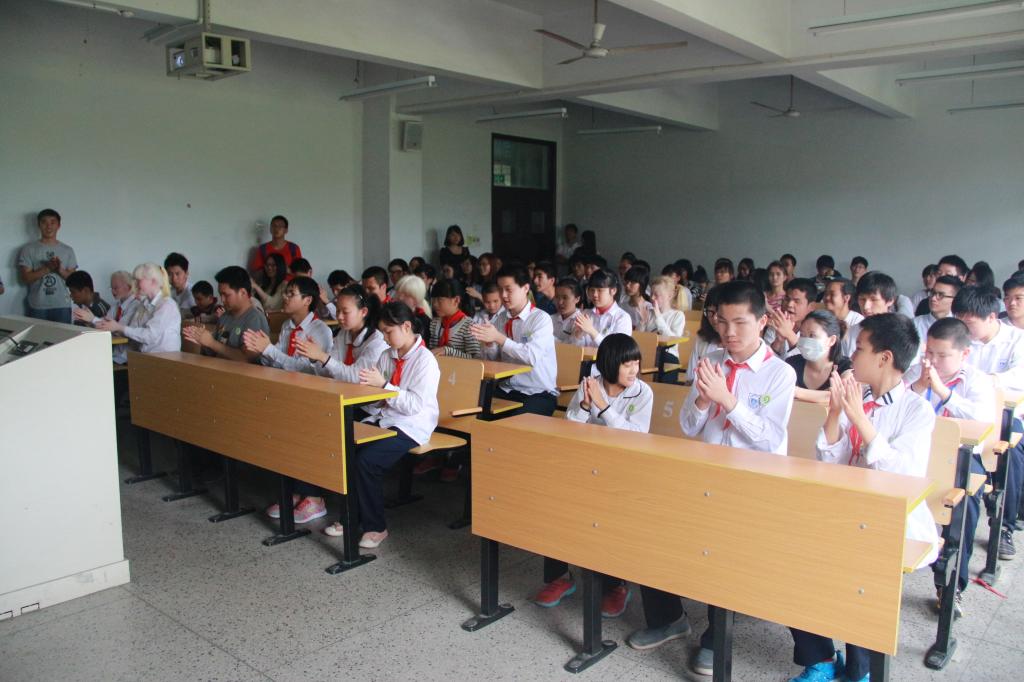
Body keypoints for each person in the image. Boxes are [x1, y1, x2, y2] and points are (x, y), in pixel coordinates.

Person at [632, 281, 795, 676]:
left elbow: (770, 440)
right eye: (722, 322)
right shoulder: (711, 359)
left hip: (752, 485)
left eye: (740, 323)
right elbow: (688, 426)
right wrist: (703, 400)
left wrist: (727, 400)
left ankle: (715, 640)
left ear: (762, 322)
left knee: (723, 550)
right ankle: (669, 618)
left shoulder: (780, 374)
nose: (729, 332)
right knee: (649, 524)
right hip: (704, 476)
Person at [789, 313, 939, 682]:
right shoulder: (858, 397)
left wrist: (859, 418)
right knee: (789, 555)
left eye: (859, 348)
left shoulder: (915, 410)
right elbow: (831, 461)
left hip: (888, 520)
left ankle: (861, 670)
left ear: (884, 358)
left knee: (865, 577)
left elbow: (901, 477)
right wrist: (835, 415)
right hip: (845, 509)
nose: (852, 355)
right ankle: (821, 658)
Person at [534, 334, 653, 612]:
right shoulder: (590, 384)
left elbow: (636, 437)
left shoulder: (643, 392)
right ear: (610, 364)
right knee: (556, 504)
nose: (634, 370)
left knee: (608, 517)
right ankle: (560, 577)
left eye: (636, 363)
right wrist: (586, 405)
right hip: (586, 464)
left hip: (623, 470)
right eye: (627, 365)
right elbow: (569, 428)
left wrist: (605, 408)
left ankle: (616, 585)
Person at [908, 317, 996, 614]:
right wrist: (918, 387)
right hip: (917, 454)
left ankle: (951, 585)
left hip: (959, 457)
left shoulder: (978, 382)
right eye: (929, 353)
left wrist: (944, 393)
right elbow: (896, 407)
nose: (932, 361)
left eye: (942, 355)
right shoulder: (916, 374)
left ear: (964, 354)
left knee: (965, 501)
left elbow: (982, 427)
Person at [338, 301, 440, 548]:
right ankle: (352, 516)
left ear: (406, 327)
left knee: (367, 461)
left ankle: (375, 527)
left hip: (412, 426)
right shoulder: (388, 355)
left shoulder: (425, 360)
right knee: (346, 448)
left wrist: (383, 386)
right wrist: (371, 391)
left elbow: (415, 405)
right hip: (385, 419)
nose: (384, 338)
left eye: (388, 332)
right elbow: (379, 398)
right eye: (382, 332)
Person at [953, 285, 1024, 559]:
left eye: (969, 323)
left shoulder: (1017, 340)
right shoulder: (959, 339)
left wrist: (985, 381)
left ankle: (1004, 526)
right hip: (964, 415)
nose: (964, 329)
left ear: (992, 317)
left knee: (1012, 451)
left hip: (1003, 417)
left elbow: (1018, 377)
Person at [470, 265, 558, 415]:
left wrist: (498, 338)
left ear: (525, 288)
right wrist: (489, 344)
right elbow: (493, 360)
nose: (503, 295)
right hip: (506, 388)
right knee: (474, 413)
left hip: (537, 392)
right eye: (500, 289)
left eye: (509, 290)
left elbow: (531, 356)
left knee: (513, 421)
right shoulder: (500, 318)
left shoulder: (541, 319)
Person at [298, 284, 387, 384]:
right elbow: (327, 373)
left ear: (363, 312)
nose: (339, 316)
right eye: (337, 310)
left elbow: (357, 378)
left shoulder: (377, 342)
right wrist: (316, 358)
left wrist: (323, 357)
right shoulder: (343, 334)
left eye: (345, 312)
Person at [243, 276, 333, 373]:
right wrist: (260, 351)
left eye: (291, 293)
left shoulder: (321, 331)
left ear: (308, 300)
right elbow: (277, 359)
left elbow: (305, 369)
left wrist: (268, 349)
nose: (285, 297)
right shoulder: (287, 325)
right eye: (286, 292)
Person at [183, 266, 269, 363]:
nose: (222, 300)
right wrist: (202, 341)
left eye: (226, 295)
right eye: (220, 295)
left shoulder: (255, 319)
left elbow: (247, 360)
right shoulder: (225, 316)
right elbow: (213, 352)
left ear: (243, 293)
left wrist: (212, 343)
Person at [94, 263, 181, 354]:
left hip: (165, 358)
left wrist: (119, 327)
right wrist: (114, 327)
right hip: (145, 356)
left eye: (138, 280)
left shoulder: (167, 305)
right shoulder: (144, 304)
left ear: (153, 281)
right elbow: (132, 330)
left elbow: (149, 336)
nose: (135, 284)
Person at [18, 208, 77, 323]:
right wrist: (47, 268)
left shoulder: (67, 250)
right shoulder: (28, 249)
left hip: (62, 304)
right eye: (44, 222)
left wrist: (60, 270)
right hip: (37, 305)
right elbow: (25, 278)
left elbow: (74, 280)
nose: (48, 226)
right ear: (39, 225)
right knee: (37, 335)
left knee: (62, 335)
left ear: (59, 226)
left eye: (52, 222)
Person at [785, 310, 851, 403]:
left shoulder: (845, 367)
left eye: (812, 335)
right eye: (802, 335)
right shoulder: (791, 364)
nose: (805, 340)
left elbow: (838, 395)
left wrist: (794, 391)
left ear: (831, 340)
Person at [639, 276, 688, 382]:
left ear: (669, 296)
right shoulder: (649, 313)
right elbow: (640, 339)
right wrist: (642, 322)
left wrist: (658, 316)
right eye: (651, 294)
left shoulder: (678, 315)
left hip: (669, 356)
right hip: (648, 355)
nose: (652, 297)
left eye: (656, 295)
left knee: (666, 362)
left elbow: (673, 340)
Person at [841, 271, 899, 357]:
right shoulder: (853, 331)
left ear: (890, 301)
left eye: (873, 300)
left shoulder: (901, 333)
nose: (866, 307)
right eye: (862, 299)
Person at [571, 269, 631, 347]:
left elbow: (616, 350)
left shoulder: (622, 317)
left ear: (613, 291)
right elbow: (573, 347)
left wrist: (591, 331)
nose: (595, 294)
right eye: (592, 290)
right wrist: (578, 335)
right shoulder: (585, 314)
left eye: (600, 290)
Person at [427, 280, 480, 359]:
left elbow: (476, 358)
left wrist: (447, 351)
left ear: (456, 300)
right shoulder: (434, 323)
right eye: (433, 300)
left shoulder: (469, 326)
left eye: (439, 300)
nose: (435, 304)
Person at [913, 275, 962, 358]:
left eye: (940, 295)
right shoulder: (914, 324)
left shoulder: (960, 327)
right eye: (933, 293)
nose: (933, 298)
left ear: (954, 299)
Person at [766, 278, 817, 357]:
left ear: (811, 306)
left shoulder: (816, 331)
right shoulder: (775, 325)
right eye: (787, 299)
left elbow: (808, 360)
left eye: (797, 301)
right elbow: (765, 361)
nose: (789, 304)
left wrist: (789, 334)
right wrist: (778, 341)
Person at [687, 287, 721, 384]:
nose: (714, 318)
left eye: (719, 312)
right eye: (710, 312)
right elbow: (690, 377)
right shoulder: (702, 339)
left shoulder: (736, 344)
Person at [551, 277, 583, 344]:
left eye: (565, 298)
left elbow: (574, 347)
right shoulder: (550, 319)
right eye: (557, 297)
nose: (560, 302)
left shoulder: (581, 322)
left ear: (577, 299)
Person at [621, 266, 653, 330]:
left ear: (642, 284)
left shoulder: (649, 308)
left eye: (633, 282)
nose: (627, 285)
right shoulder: (622, 306)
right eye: (626, 281)